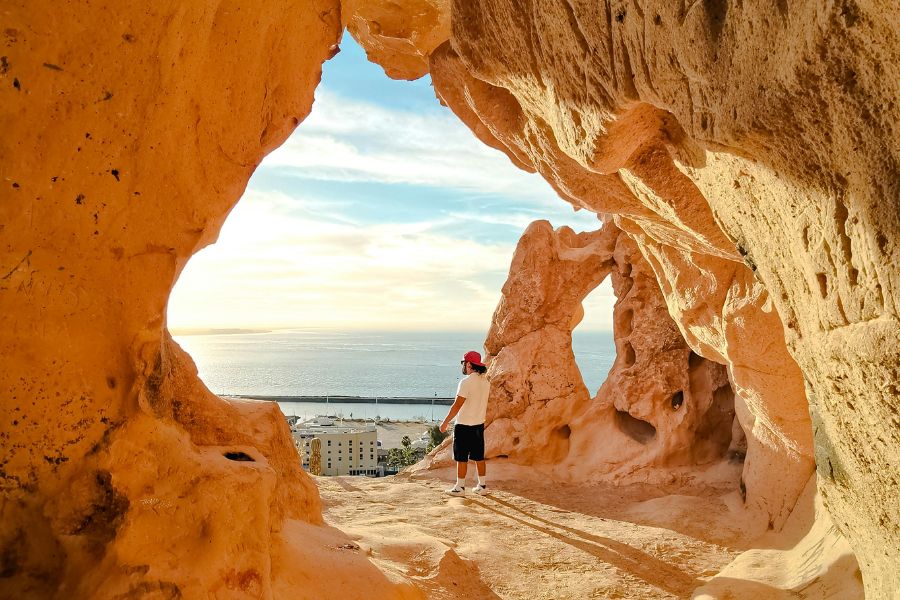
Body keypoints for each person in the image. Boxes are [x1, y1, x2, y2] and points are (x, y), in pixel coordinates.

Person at [439, 350, 490, 496]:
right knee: (479, 457)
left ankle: (460, 487)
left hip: (463, 425)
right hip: (479, 425)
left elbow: (456, 406)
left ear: (468, 364)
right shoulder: (486, 382)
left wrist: (445, 422)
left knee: (461, 458)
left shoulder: (466, 383)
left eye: (463, 363)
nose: (463, 366)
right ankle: (483, 486)